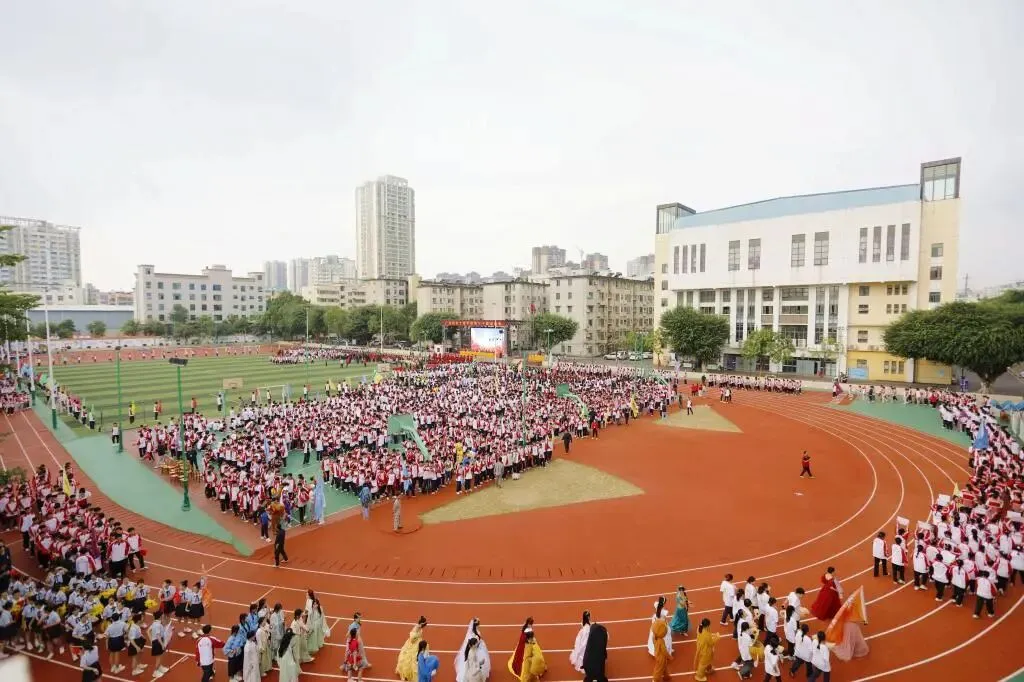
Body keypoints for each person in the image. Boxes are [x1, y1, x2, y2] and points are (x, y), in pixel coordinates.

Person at [397, 617, 427, 681]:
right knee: (410, 661)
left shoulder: (419, 628)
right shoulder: (416, 628)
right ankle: (406, 675)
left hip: (416, 644)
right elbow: (412, 638)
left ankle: (409, 675)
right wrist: (417, 636)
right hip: (412, 646)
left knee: (413, 661)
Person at [651, 615, 671, 682]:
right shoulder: (661, 641)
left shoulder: (654, 637)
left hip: (657, 654)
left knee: (664, 666)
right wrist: (669, 657)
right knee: (659, 669)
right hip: (661, 657)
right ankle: (655, 680)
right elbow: (664, 651)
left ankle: (666, 676)